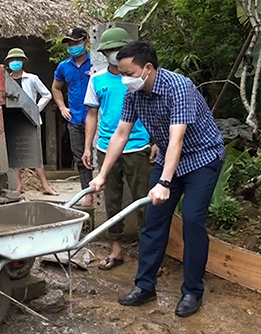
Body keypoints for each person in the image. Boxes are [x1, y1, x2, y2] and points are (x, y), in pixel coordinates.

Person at [90, 41, 224, 317]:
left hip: (201, 158)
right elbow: (121, 134)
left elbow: (177, 139)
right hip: (169, 160)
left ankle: (192, 291)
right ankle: (145, 286)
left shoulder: (179, 87)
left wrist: (164, 183)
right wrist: (101, 175)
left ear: (147, 69)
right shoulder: (133, 93)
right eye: (121, 72)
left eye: (128, 72)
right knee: (153, 222)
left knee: (192, 220)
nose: (124, 78)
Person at [82, 28, 154, 270]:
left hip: (138, 146)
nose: (114, 54)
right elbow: (92, 114)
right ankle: (116, 250)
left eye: (118, 50)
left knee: (144, 200)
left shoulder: (138, 77)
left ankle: (149, 254)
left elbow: (157, 110)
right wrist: (88, 147)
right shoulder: (97, 79)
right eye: (110, 51)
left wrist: (155, 141)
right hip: (106, 147)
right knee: (112, 201)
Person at [4, 48, 57, 195]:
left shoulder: (32, 78)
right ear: (8, 63)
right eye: (12, 60)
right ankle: (18, 186)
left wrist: (36, 109)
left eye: (18, 60)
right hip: (13, 119)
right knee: (15, 154)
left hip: (31, 119)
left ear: (23, 62)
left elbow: (46, 94)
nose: (15, 63)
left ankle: (45, 186)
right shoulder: (5, 80)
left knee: (35, 153)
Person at [51, 27, 93, 206]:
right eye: (69, 43)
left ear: (85, 41)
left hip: (96, 117)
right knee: (80, 159)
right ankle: (87, 194)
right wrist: (62, 108)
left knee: (97, 156)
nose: (72, 46)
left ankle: (101, 191)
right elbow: (56, 88)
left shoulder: (96, 62)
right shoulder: (63, 67)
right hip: (75, 118)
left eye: (75, 42)